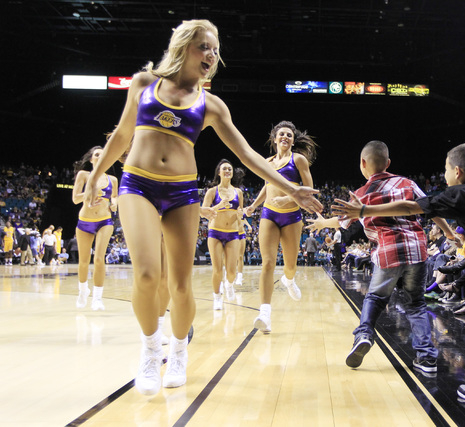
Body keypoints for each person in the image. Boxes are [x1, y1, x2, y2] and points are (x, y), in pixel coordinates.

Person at [83, 20, 321, 396]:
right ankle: (150, 351)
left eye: (215, 49)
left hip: (181, 193)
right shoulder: (143, 83)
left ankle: (179, 352)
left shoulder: (211, 105)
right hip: (137, 185)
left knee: (179, 285)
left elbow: (247, 154)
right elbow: (122, 134)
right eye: (203, 46)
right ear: (183, 47)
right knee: (146, 275)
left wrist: (292, 188)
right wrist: (96, 175)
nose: (211, 54)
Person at [333, 142, 465, 406]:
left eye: (445, 168)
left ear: (457, 172)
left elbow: (409, 208)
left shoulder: (455, 195)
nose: (444, 173)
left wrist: (364, 211)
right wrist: (448, 233)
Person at [308, 140, 439, 374]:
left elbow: (342, 221)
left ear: (362, 163)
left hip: (388, 251)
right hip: (416, 250)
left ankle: (364, 334)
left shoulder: (361, 195)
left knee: (375, 298)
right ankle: (427, 358)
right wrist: (448, 231)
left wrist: (322, 223)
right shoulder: (407, 183)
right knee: (416, 304)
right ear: (388, 163)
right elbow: (430, 207)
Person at [245, 120, 318, 334]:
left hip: (291, 216)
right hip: (269, 214)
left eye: (289, 135)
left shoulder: (298, 160)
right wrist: (253, 205)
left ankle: (289, 279)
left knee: (290, 265)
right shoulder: (267, 162)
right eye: (282, 134)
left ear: (293, 141)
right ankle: (265, 314)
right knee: (267, 262)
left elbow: (309, 189)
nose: (285, 137)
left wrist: (287, 199)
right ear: (274, 138)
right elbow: (267, 187)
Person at [72, 145, 118, 310]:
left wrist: (114, 204)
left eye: (103, 154)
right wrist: (91, 192)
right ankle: (83, 290)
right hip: (85, 221)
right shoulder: (83, 175)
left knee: (99, 259)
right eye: (97, 154)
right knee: (83, 261)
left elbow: (115, 197)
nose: (100, 156)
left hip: (104, 221)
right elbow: (75, 199)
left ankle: (97, 298)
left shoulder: (113, 180)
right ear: (91, 159)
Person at [202, 159, 243, 310]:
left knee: (231, 272)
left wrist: (241, 214)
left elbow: (240, 214)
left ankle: (229, 284)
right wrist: (219, 206)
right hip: (215, 233)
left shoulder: (238, 192)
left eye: (229, 169)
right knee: (217, 269)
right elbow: (203, 212)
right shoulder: (212, 191)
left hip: (233, 233)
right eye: (224, 169)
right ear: (219, 172)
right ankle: (217, 297)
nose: (227, 171)